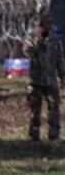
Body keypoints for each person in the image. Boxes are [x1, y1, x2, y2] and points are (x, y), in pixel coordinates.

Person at [23, 14, 65, 142]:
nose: (48, 27)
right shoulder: (31, 38)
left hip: (50, 80)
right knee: (35, 109)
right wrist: (38, 40)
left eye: (49, 24)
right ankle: (34, 135)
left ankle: (54, 134)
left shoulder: (55, 40)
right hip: (36, 79)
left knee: (54, 107)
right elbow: (27, 52)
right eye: (45, 24)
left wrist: (63, 76)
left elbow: (59, 59)